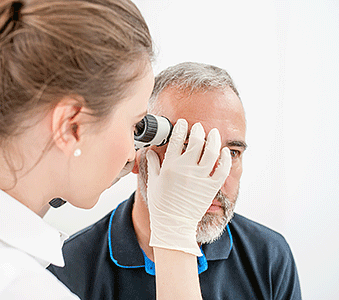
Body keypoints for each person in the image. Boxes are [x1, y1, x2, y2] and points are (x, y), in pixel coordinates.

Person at [0, 0, 231, 298]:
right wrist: (174, 235)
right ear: (71, 126)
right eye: (134, 126)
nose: (133, 154)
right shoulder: (17, 289)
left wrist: (59, 179)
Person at [48, 62, 302, 299]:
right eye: (191, 149)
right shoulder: (71, 264)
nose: (215, 176)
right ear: (139, 151)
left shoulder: (268, 257)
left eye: (232, 153)